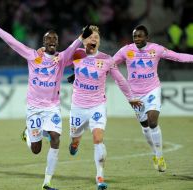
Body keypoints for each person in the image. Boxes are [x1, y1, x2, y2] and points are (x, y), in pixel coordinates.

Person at [0, 11, 92, 190]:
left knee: (56, 138)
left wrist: (82, 36)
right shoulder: (33, 55)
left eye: (55, 39)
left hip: (52, 107)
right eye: (49, 39)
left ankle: (47, 182)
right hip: (34, 108)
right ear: (43, 42)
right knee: (36, 149)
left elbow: (74, 46)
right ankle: (28, 134)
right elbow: (12, 41)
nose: (52, 41)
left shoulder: (61, 59)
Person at [67, 25, 142, 190]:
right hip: (78, 106)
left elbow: (120, 80)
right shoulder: (76, 54)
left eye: (97, 37)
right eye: (90, 36)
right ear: (83, 39)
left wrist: (131, 98)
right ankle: (74, 143)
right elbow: (59, 62)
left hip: (97, 106)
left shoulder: (107, 59)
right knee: (75, 137)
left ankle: (100, 176)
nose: (94, 39)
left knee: (98, 138)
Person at [113, 24, 193, 172]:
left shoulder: (156, 49)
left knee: (152, 121)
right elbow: (110, 64)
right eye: (135, 36)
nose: (137, 38)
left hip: (152, 90)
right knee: (144, 125)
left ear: (146, 37)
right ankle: (154, 153)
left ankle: (160, 156)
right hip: (134, 93)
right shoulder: (126, 50)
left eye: (140, 36)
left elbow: (178, 56)